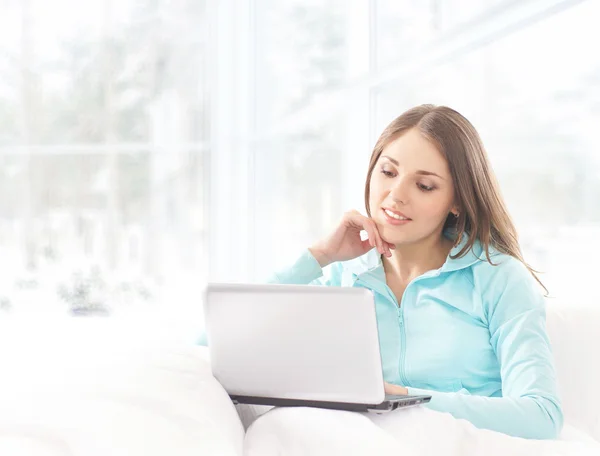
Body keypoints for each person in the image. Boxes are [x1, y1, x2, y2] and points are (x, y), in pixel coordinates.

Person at [267, 104, 563, 440]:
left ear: (457, 201)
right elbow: (212, 351)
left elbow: (541, 415)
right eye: (388, 173)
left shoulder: (499, 278)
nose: (395, 196)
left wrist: (406, 400)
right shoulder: (345, 278)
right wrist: (319, 256)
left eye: (424, 186)